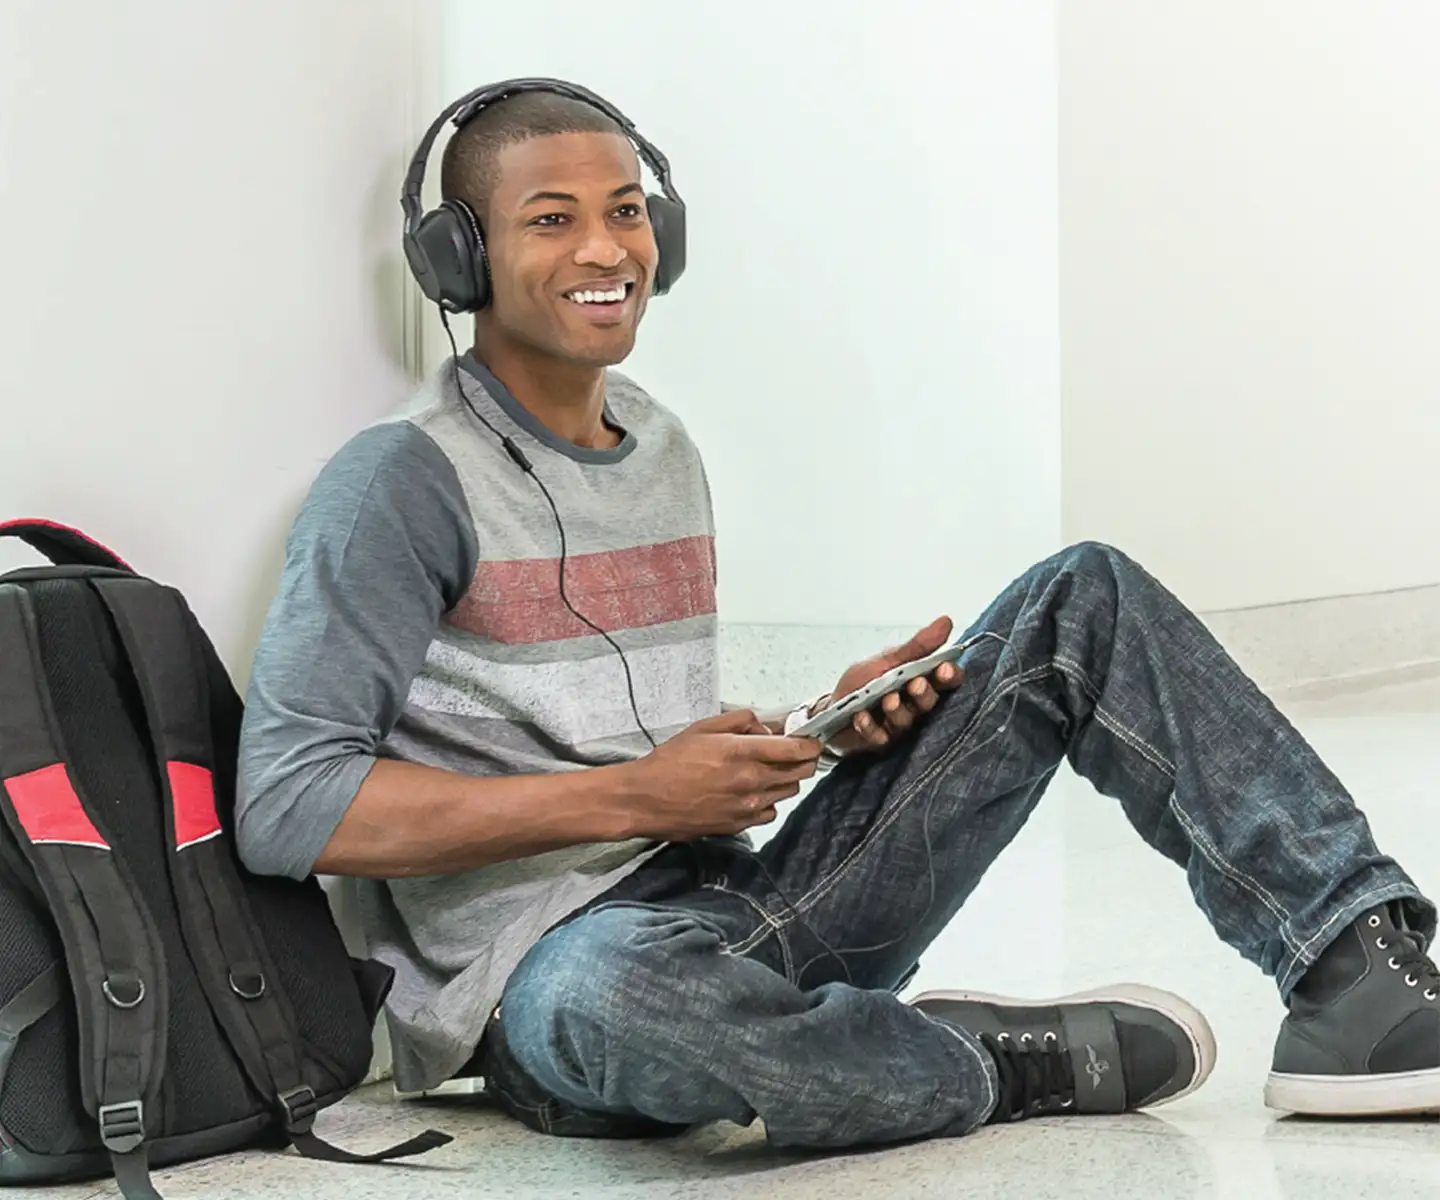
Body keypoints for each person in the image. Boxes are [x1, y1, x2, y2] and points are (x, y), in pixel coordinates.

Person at [236, 80, 1440, 1149]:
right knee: (622, 997)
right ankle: (974, 1065)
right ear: (461, 257)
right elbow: (290, 806)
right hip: (552, 983)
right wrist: (634, 798)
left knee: (1085, 595)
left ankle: (1357, 975)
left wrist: (820, 731)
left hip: (746, 910)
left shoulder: (658, 445)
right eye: (552, 219)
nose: (607, 247)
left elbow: (624, 730)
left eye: (627, 209)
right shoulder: (400, 481)